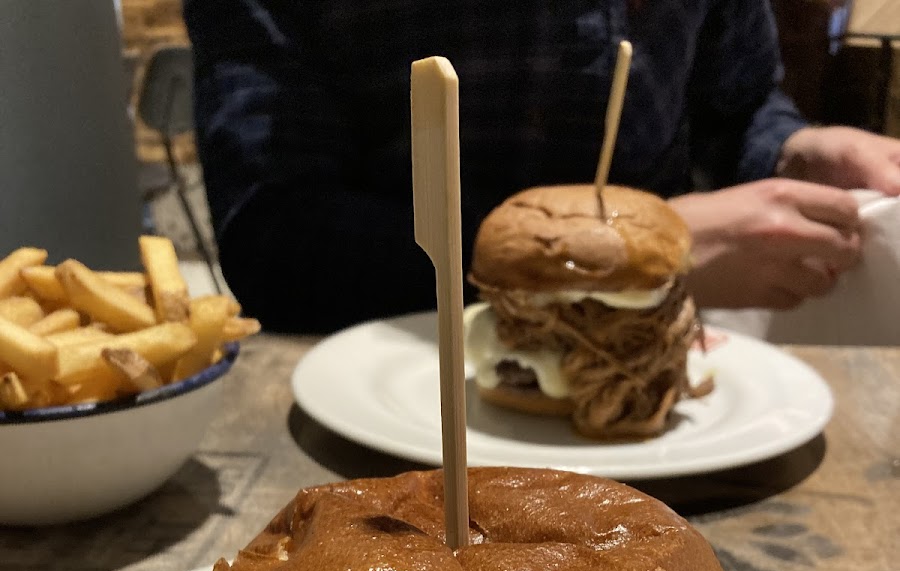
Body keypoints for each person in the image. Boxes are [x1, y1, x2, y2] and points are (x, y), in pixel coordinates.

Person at [184, 0, 900, 334]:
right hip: (385, 397)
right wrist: (623, 252)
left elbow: (735, 104)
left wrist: (792, 150)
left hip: (662, 375)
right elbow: (274, 240)